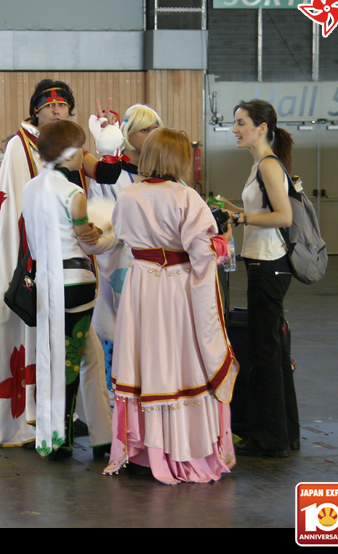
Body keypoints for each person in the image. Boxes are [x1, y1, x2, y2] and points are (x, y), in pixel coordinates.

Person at [0, 79, 112, 450]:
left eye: (62, 105)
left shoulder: (47, 177)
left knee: (74, 356)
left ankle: (71, 434)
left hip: (49, 276)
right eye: (48, 105)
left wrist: (112, 146)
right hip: (63, 275)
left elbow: (104, 172)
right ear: (35, 110)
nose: (56, 109)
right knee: (76, 357)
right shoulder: (28, 155)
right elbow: (11, 219)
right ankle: (76, 436)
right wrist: (111, 235)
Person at [102, 128, 238, 485]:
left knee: (147, 359)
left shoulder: (128, 194)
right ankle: (182, 448)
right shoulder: (186, 196)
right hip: (175, 285)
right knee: (181, 362)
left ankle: (149, 449)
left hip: (141, 284)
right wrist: (222, 246)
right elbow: (202, 251)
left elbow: (119, 232)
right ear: (178, 158)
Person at [22, 120, 117, 459]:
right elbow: (90, 245)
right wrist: (114, 232)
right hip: (75, 285)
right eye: (79, 149)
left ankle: (103, 435)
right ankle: (58, 439)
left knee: (85, 356)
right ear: (65, 154)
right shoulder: (74, 195)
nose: (83, 156)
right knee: (70, 362)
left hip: (46, 284)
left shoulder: (30, 188)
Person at [219, 99, 299, 458]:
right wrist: (236, 212)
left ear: (261, 127)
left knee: (265, 354)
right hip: (265, 263)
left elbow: (283, 217)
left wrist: (242, 220)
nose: (235, 129)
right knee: (275, 353)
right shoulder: (261, 165)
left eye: (240, 123)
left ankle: (270, 439)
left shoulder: (268, 166)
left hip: (269, 265)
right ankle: (284, 434)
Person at [88, 104, 164, 389]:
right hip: (121, 269)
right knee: (120, 344)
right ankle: (118, 408)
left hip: (160, 273)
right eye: (146, 129)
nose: (153, 134)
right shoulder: (112, 174)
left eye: (157, 128)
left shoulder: (166, 172)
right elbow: (100, 221)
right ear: (129, 134)